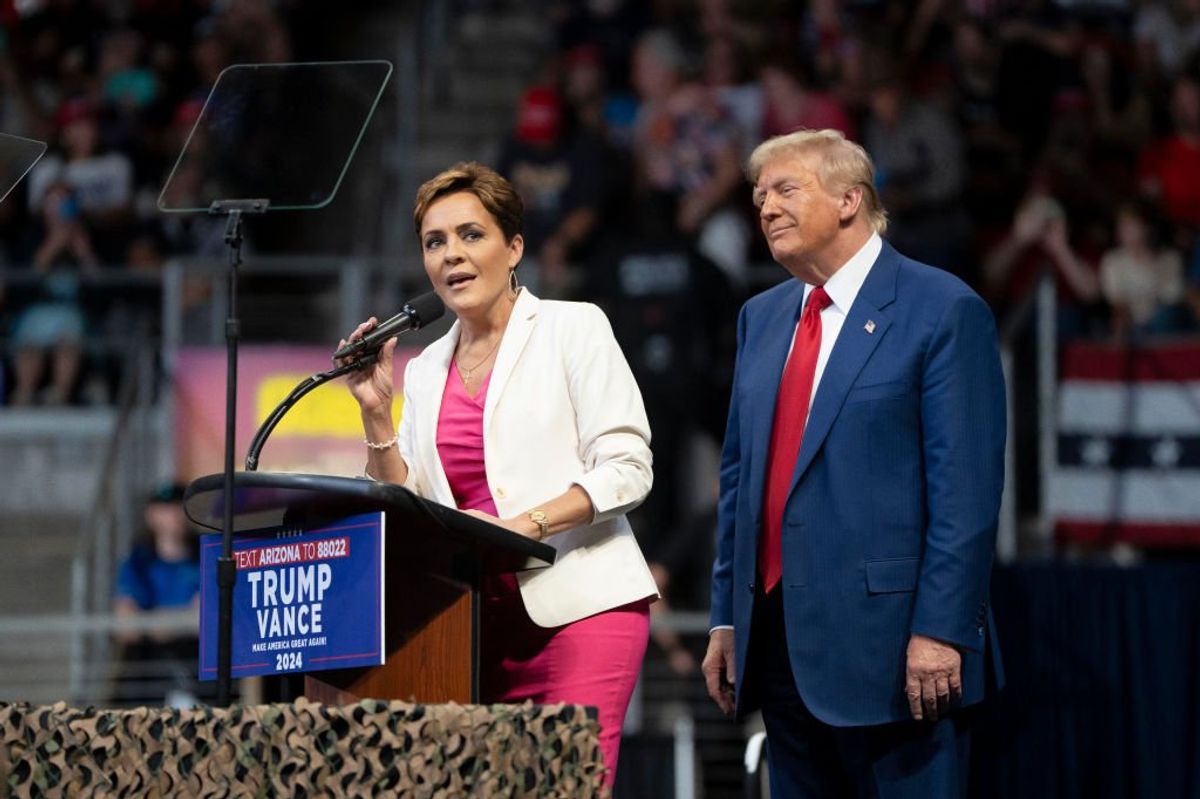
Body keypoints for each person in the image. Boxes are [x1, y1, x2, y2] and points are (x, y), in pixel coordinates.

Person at [702, 129, 1006, 797]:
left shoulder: (942, 309)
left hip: (898, 655)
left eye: (785, 190)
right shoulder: (761, 316)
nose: (767, 208)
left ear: (849, 200)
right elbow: (739, 481)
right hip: (780, 649)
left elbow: (966, 493)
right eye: (758, 197)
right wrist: (727, 615)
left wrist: (940, 628)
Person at [338, 162, 658, 786]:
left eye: (470, 235)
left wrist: (523, 525)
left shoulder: (574, 327)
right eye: (435, 242)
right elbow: (413, 505)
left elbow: (627, 468)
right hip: (472, 628)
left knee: (568, 783)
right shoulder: (426, 367)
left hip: (580, 608)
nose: (451, 255)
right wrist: (377, 415)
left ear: (514, 247)